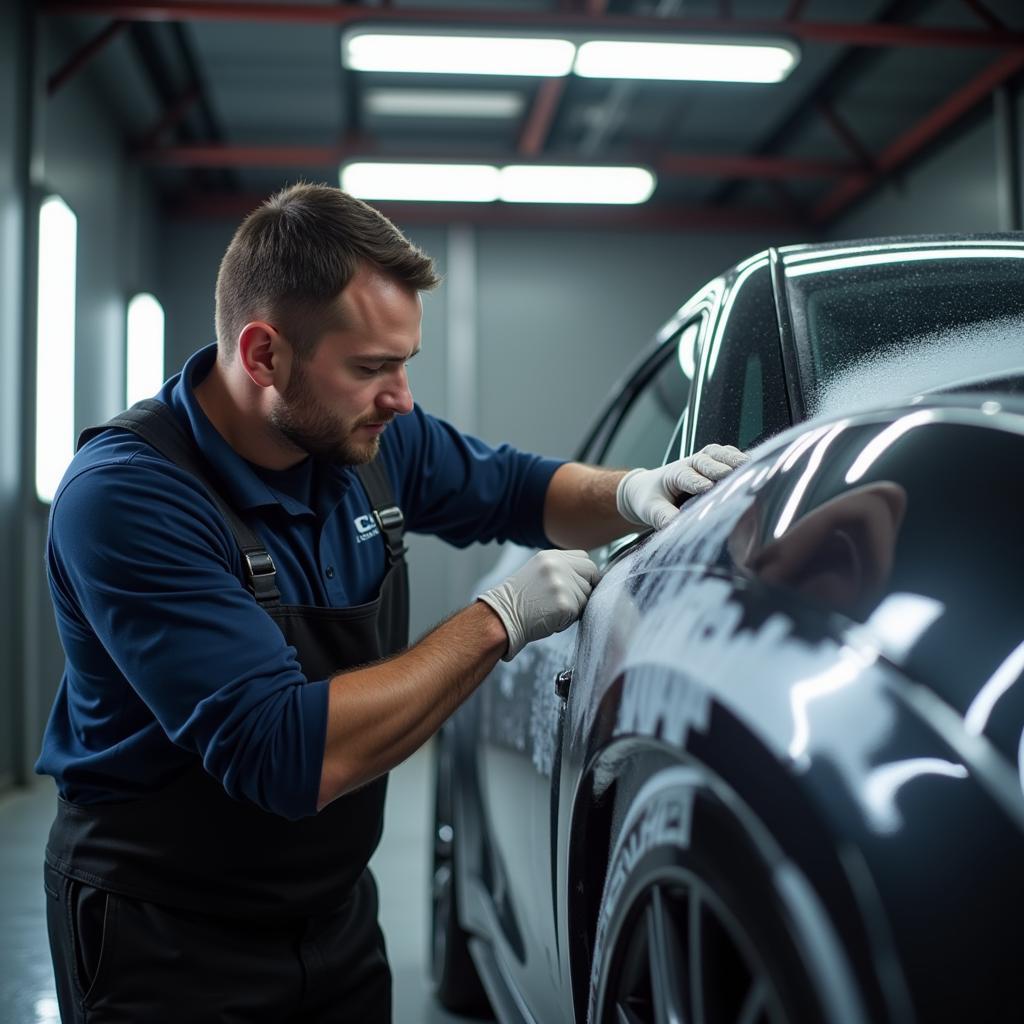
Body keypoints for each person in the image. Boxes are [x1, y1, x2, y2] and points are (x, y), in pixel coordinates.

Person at [36, 183, 747, 1023]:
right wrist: (499, 621)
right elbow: (286, 754)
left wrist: (634, 489)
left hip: (333, 914)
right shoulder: (130, 498)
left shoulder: (366, 440)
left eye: (404, 361)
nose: (402, 396)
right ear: (264, 356)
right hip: (166, 938)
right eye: (372, 367)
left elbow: (520, 489)